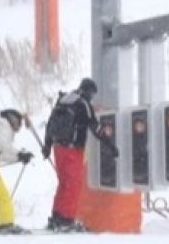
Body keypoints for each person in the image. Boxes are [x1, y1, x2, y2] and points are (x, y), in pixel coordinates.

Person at [42, 77, 118, 232]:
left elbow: (50, 123)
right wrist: (110, 145)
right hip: (72, 149)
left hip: (58, 148)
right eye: (92, 94)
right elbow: (95, 128)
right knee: (74, 185)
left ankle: (57, 216)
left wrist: (47, 145)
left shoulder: (63, 99)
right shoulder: (83, 104)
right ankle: (67, 220)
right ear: (89, 92)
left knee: (64, 183)